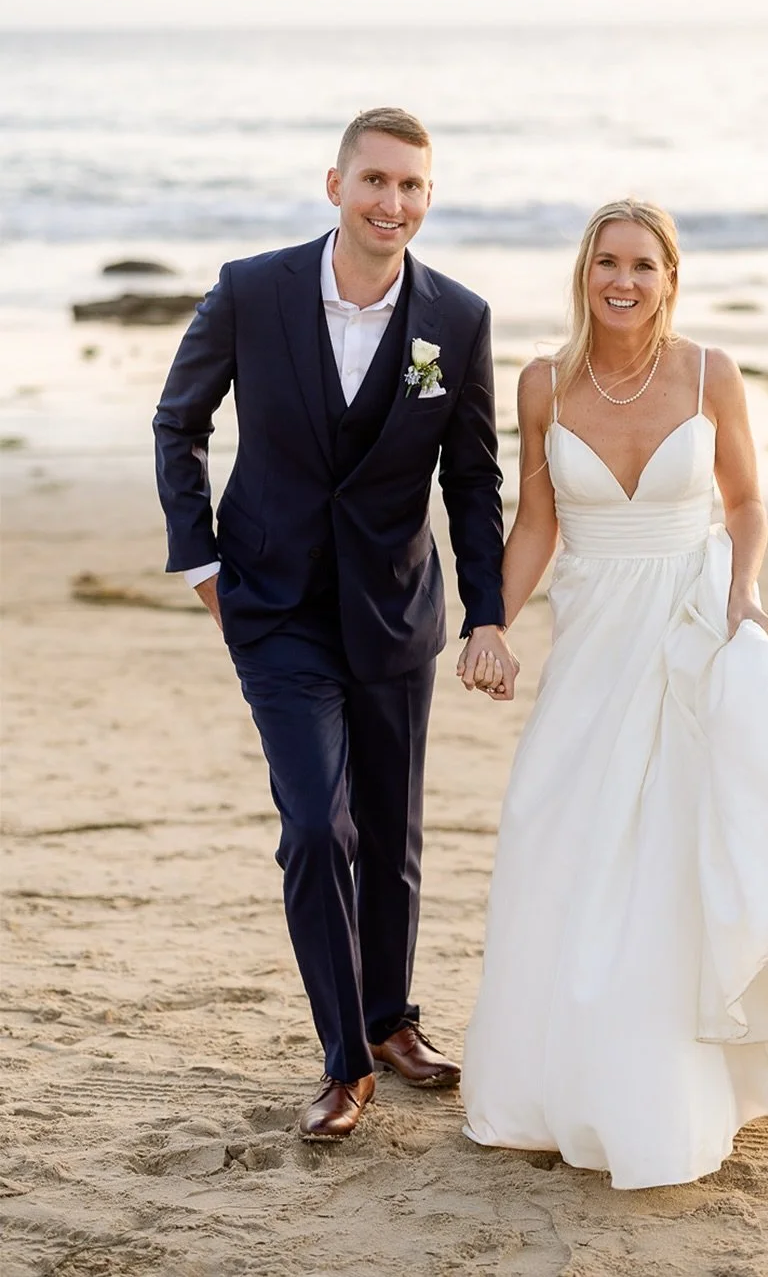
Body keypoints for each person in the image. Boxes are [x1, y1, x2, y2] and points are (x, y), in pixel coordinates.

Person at [460, 199, 768, 1190]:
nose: (624, 280)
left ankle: (667, 1097)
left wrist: (745, 594)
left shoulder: (709, 373)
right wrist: (490, 623)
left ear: (669, 277)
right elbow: (537, 521)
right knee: (555, 835)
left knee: (672, 861)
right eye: (608, 261)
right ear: (585, 271)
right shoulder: (542, 385)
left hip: (691, 627)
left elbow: (745, 503)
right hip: (595, 635)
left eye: (644, 264)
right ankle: (544, 1087)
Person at [154, 107, 517, 1142]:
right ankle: (344, 1058)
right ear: (335, 185)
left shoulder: (460, 319)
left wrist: (486, 611)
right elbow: (179, 424)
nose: (391, 204)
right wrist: (201, 563)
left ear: (428, 199)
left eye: (411, 187)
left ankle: (392, 1018)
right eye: (375, 182)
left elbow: (476, 482)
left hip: (395, 610)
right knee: (320, 825)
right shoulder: (251, 290)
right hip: (273, 608)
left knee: (394, 834)